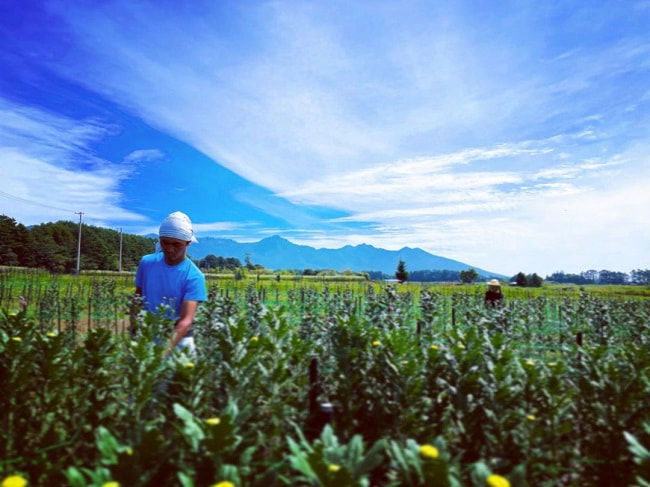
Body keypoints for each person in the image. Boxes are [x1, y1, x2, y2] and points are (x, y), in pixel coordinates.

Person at [135, 211, 206, 355]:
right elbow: (137, 299)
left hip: (179, 340)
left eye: (176, 244)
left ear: (188, 243)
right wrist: (135, 329)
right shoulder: (146, 263)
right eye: (165, 242)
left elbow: (186, 320)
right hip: (148, 333)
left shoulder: (194, 276)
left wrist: (163, 351)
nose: (169, 248)